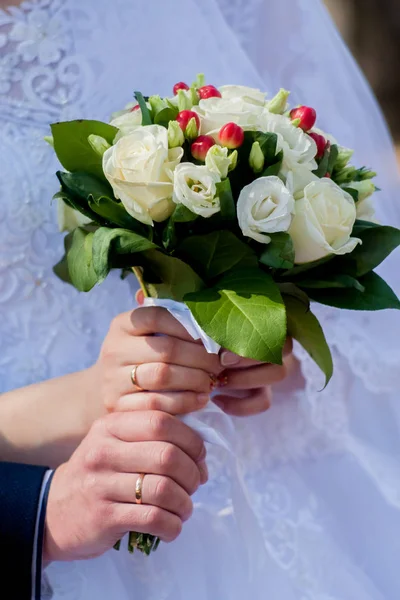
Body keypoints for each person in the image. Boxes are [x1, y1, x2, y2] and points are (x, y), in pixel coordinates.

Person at [1, 0, 400, 598]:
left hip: (265, 495)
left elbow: (333, 189)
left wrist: (268, 335)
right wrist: (91, 398)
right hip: (55, 527)